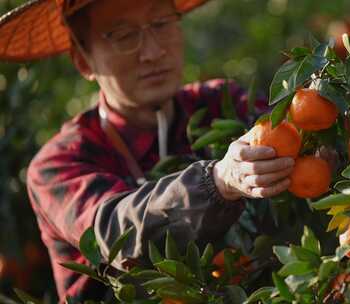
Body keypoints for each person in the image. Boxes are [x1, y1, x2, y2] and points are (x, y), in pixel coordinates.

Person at [0, 0, 295, 301]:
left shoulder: (222, 105)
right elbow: (117, 231)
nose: (153, 53)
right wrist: (218, 181)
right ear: (84, 61)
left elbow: (299, 134)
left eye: (161, 24)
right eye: (123, 36)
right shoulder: (60, 164)